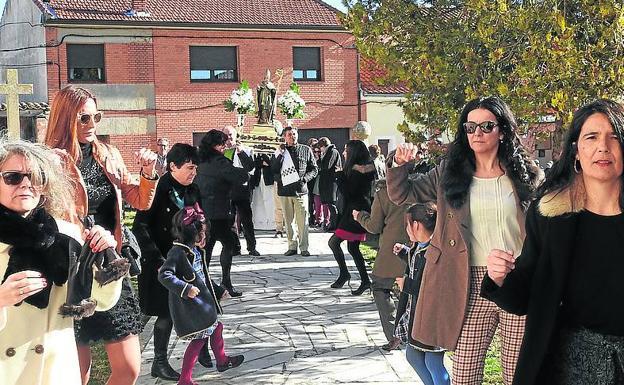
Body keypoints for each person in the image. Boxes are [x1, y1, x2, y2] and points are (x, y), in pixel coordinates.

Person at [388, 96, 542, 385]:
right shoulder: (449, 173)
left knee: (517, 374)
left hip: (519, 279)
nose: (477, 134)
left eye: (486, 126)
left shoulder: (525, 174)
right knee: (465, 374)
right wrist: (399, 165)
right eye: (470, 127)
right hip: (467, 282)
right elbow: (403, 194)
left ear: (503, 130)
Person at [482, 99, 624, 385]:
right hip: (572, 361)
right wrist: (499, 278)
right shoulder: (551, 214)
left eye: (614, 137)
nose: (603, 148)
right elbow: (527, 293)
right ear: (576, 150)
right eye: (592, 137)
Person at [44, 85, 158, 385]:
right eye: (84, 118)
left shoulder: (107, 154)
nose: (92, 125)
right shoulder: (49, 162)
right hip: (70, 272)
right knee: (74, 374)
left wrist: (148, 173)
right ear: (65, 117)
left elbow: (139, 199)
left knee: (129, 368)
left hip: (109, 266)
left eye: (97, 117)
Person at [0, 140, 121, 385]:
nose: (26, 184)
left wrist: (104, 257)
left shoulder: (65, 234)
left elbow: (101, 300)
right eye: (13, 177)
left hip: (55, 372)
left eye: (36, 176)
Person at [132, 143, 214, 380]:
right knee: (165, 312)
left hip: (190, 259)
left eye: (196, 168)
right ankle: (159, 361)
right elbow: (140, 226)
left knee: (202, 303)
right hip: (163, 262)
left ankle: (203, 351)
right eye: (189, 167)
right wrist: (157, 259)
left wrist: (202, 237)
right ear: (172, 166)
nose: (193, 172)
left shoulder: (193, 189)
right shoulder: (157, 188)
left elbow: (201, 219)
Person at [159, 206, 244, 385]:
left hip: (202, 304)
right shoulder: (178, 253)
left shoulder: (195, 251)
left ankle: (221, 360)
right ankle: (185, 380)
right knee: (200, 339)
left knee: (216, 328)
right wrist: (185, 288)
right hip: (191, 306)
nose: (205, 237)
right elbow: (164, 275)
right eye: (202, 233)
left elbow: (203, 276)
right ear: (191, 233)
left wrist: (219, 291)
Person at [353, 176, 409, 350]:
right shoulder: (420, 189)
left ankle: (394, 335)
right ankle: (413, 333)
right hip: (417, 246)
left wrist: (360, 216)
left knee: (380, 288)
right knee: (409, 291)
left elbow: (374, 226)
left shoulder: (384, 193)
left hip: (391, 250)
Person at [196, 129, 253, 297]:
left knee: (206, 251)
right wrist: (242, 155)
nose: (224, 147)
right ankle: (224, 282)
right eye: (222, 144)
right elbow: (244, 174)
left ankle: (207, 283)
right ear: (216, 145)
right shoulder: (220, 162)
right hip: (220, 213)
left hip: (203, 212)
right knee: (229, 245)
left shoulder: (200, 160)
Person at [397, 202, 450, 385]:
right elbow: (420, 270)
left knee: (433, 361)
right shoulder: (420, 247)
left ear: (416, 225)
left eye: (407, 224)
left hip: (433, 318)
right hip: (420, 316)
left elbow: (435, 286)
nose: (407, 228)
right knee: (414, 355)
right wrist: (405, 253)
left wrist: (407, 285)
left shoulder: (435, 251)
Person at [328, 140, 376, 295]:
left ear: (353, 152)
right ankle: (364, 280)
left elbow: (349, 193)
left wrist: (339, 176)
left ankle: (346, 274)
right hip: (357, 210)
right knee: (352, 247)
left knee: (334, 242)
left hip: (355, 213)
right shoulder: (365, 169)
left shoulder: (358, 170)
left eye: (346, 150)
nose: (343, 153)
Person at [271, 126, 318, 256]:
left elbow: (314, 169)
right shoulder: (279, 151)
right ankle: (292, 246)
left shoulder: (306, 149)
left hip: (300, 191)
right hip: (284, 191)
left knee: (303, 220)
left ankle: (304, 247)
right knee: (289, 221)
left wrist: (305, 179)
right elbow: (273, 169)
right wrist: (280, 154)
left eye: (294, 134)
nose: (293, 136)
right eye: (290, 135)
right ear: (285, 137)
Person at [223, 126, 259, 256]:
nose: (229, 137)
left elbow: (251, 169)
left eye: (231, 134)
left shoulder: (246, 149)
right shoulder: (222, 152)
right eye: (226, 135)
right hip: (227, 191)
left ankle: (252, 247)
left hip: (243, 190)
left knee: (246, 220)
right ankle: (235, 247)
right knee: (230, 221)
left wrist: (240, 152)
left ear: (236, 135)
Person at [317, 137, 341, 231]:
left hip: (331, 181)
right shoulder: (329, 152)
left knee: (331, 203)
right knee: (329, 203)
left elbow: (326, 166)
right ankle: (332, 224)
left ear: (323, 146)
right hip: (328, 181)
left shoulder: (332, 152)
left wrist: (319, 159)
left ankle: (335, 224)